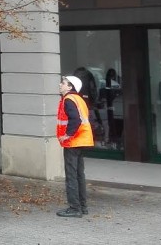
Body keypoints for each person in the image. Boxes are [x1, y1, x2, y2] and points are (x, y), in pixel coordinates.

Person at [56, 75, 94, 218]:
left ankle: (74, 208)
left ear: (70, 87)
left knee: (71, 175)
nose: (60, 85)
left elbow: (75, 119)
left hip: (73, 142)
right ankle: (82, 207)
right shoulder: (79, 99)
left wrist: (67, 135)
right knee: (79, 175)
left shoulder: (69, 100)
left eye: (63, 83)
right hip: (81, 141)